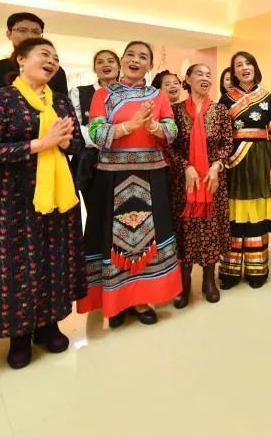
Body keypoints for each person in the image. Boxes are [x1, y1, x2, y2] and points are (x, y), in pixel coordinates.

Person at [0, 38, 86, 369]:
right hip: (14, 199)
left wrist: (64, 143)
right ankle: (19, 336)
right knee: (17, 264)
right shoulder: (1, 98)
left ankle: (49, 325)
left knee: (54, 259)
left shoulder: (60, 101)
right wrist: (41, 143)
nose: (52, 61)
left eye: (56, 57)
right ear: (21, 60)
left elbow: (77, 145)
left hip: (58, 197)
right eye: (44, 54)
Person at [76, 41, 181, 327]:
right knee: (114, 239)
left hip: (151, 175)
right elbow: (95, 132)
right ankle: (116, 300)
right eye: (131, 55)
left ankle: (141, 299)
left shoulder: (158, 96)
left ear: (150, 66)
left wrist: (155, 127)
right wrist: (129, 126)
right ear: (123, 60)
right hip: (112, 176)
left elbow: (172, 130)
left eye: (143, 57)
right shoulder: (103, 94)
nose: (136, 60)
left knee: (147, 239)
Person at [166, 64, 232, 306]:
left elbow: (227, 143)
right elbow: (169, 146)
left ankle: (209, 281)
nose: (205, 78)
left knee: (211, 228)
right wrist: (186, 166)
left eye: (208, 75)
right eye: (200, 74)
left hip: (213, 182)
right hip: (184, 183)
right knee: (185, 231)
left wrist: (216, 166)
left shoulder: (220, 110)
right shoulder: (174, 111)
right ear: (188, 79)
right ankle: (183, 285)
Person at [218, 51, 271, 289]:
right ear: (233, 72)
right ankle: (230, 273)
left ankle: (257, 271)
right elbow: (220, 135)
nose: (244, 68)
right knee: (233, 217)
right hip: (233, 164)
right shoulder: (225, 100)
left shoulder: (268, 98)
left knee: (257, 217)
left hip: (260, 162)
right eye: (239, 65)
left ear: (255, 67)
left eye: (248, 63)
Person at [0, 12, 68, 108]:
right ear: (9, 34)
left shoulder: (55, 72)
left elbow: (63, 108)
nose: (30, 36)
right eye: (22, 30)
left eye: (35, 32)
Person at [68, 49, 120, 192]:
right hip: (90, 161)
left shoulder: (130, 94)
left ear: (118, 67)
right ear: (95, 69)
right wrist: (105, 140)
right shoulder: (79, 93)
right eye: (100, 62)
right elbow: (76, 125)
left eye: (110, 61)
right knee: (94, 202)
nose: (105, 64)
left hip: (123, 159)